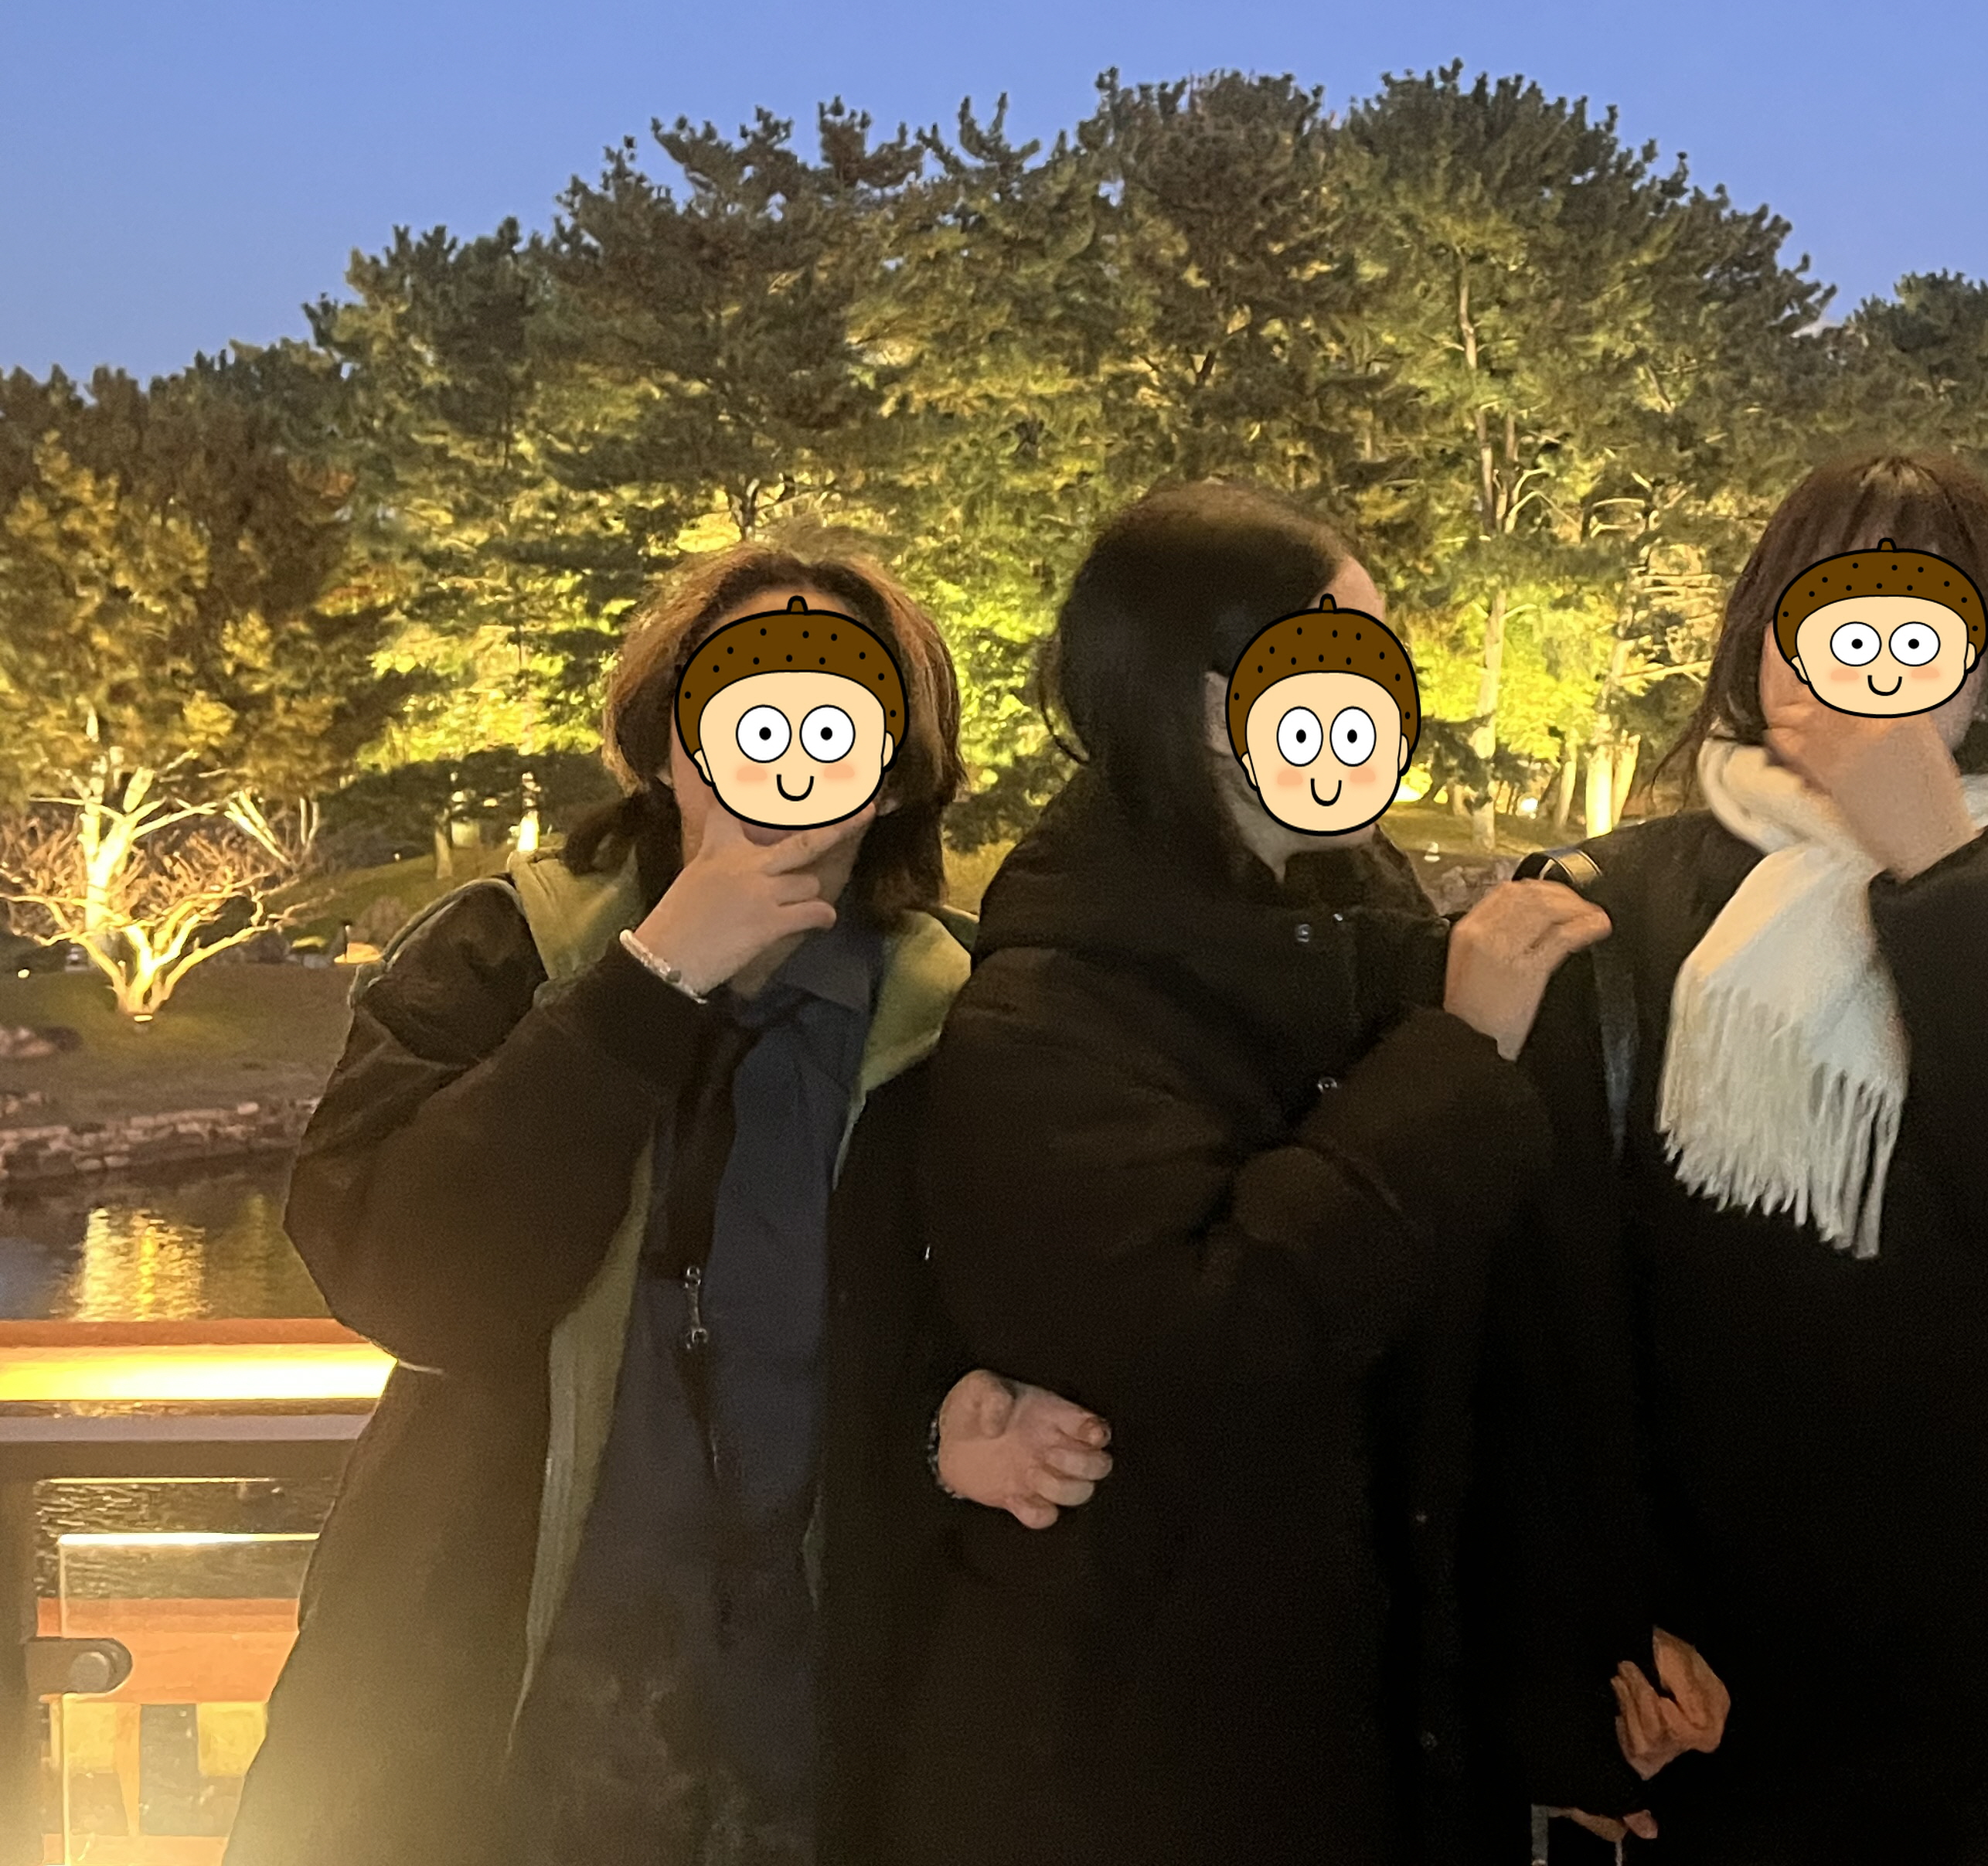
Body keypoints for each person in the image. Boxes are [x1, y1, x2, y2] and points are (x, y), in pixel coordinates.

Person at [230, 533, 1112, 1866]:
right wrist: (646, 986)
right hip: (478, 1743)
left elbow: (981, 1335)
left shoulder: (966, 1019)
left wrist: (942, 1431)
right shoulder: (505, 950)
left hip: (815, 1752)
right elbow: (400, 1278)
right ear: (666, 743)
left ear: (894, 769)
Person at [1492, 451, 1988, 1864]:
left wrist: (1944, 873)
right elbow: (1543, 1308)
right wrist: (1574, 1649)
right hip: (1720, 1674)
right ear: (1761, 646)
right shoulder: (1621, 903)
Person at [883, 481, 1613, 1866]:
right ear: (1201, 700)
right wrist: (1457, 1059)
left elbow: (1492, 1352)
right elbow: (1208, 1346)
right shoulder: (1052, 1006)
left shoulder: (1370, 940)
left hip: (1375, 1717)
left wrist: (1570, 1667)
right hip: (1138, 1748)